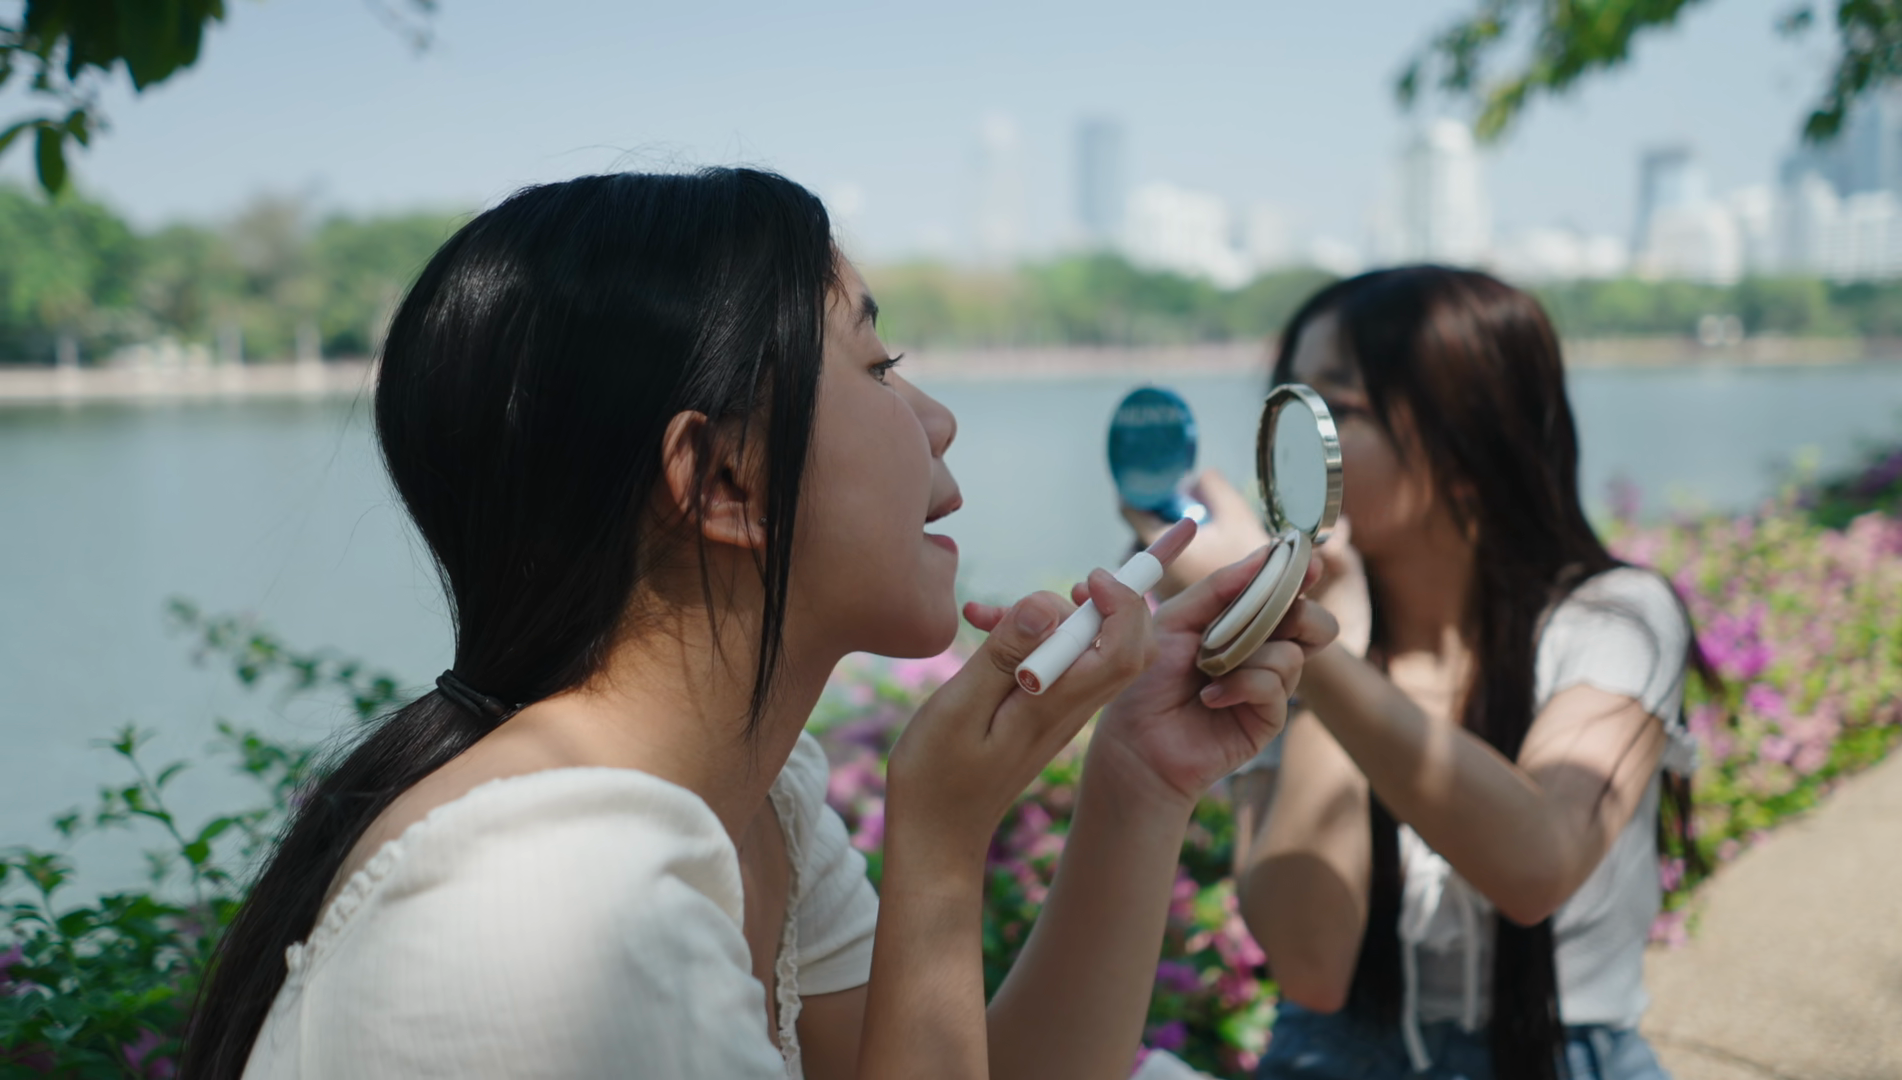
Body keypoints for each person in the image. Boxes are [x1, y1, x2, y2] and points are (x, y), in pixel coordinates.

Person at [178, 168, 1336, 1080]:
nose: (937, 420)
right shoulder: (561, 906)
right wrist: (938, 846)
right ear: (722, 480)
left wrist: (1136, 782)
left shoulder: (757, 811)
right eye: (878, 366)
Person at [1127, 267, 1714, 1080]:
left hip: (1565, 1056)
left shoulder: (1614, 618)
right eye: (1290, 400)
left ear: (1472, 443)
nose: (1294, 448)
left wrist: (1310, 642)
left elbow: (1537, 866)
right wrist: (1312, 639)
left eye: (1338, 411)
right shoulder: (1300, 647)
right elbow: (1312, 968)